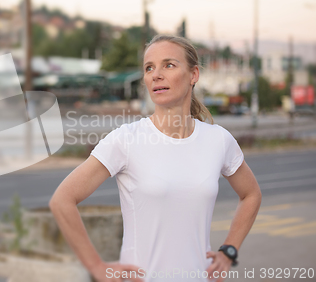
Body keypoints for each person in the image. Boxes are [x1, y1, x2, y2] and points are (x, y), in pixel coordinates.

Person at [48, 34, 262, 282]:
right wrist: (97, 267)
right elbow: (62, 199)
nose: (156, 75)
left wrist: (228, 251)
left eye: (168, 65)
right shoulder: (126, 139)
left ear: (193, 75)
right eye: (149, 68)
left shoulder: (218, 140)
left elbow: (251, 194)